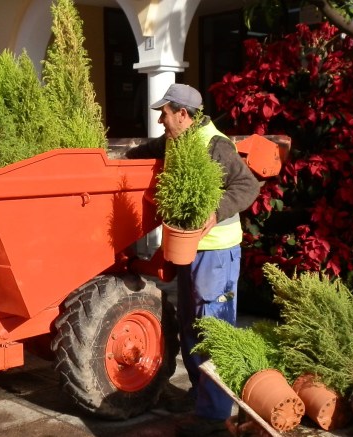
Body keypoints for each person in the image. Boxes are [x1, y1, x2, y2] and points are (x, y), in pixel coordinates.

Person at [126, 84, 260, 437]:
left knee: (212, 329)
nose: (161, 120)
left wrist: (215, 212)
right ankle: (200, 396)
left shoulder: (215, 145)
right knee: (190, 324)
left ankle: (215, 415)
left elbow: (248, 186)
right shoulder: (176, 140)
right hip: (189, 250)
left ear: (183, 114)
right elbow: (145, 151)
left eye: (165, 114)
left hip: (216, 252)